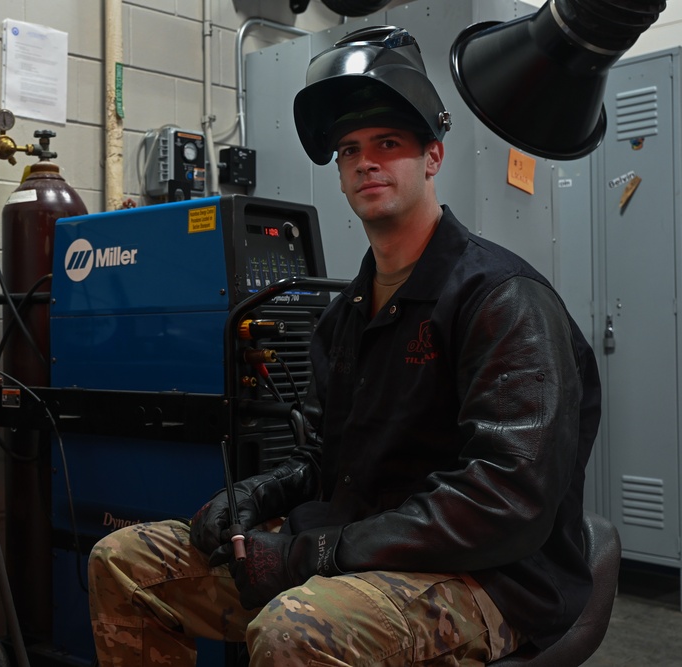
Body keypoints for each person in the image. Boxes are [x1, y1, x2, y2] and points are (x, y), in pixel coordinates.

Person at [88, 25, 601, 666]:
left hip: (492, 576)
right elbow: (325, 461)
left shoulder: (501, 300)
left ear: (432, 158)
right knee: (124, 561)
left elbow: (505, 500)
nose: (366, 162)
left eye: (388, 144)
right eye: (350, 151)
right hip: (359, 544)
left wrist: (316, 555)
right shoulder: (344, 318)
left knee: (295, 629)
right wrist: (260, 495)